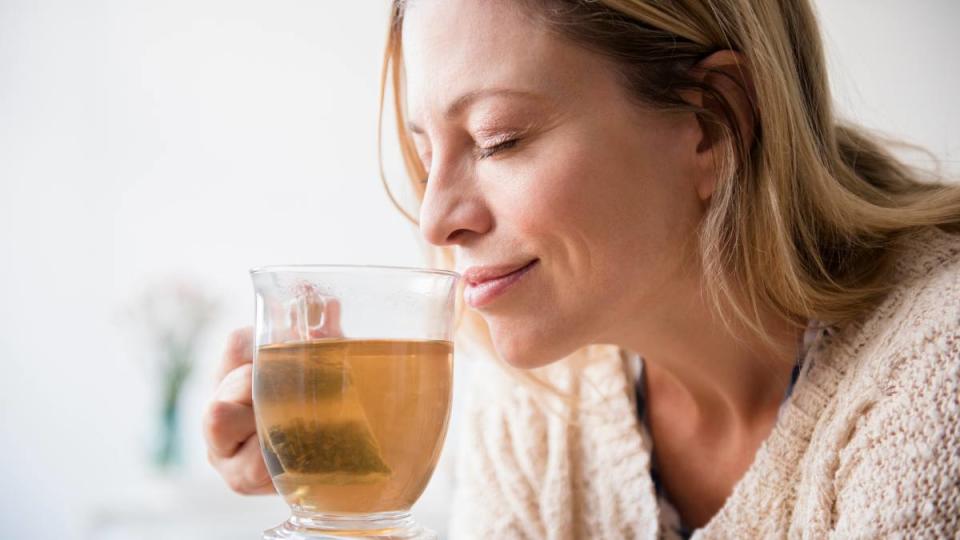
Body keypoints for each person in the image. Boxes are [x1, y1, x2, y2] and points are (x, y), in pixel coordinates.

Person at [203, 0, 960, 538]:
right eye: (427, 153)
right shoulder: (540, 400)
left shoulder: (936, 374)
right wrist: (347, 519)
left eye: (497, 140)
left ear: (713, 119)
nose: (434, 219)